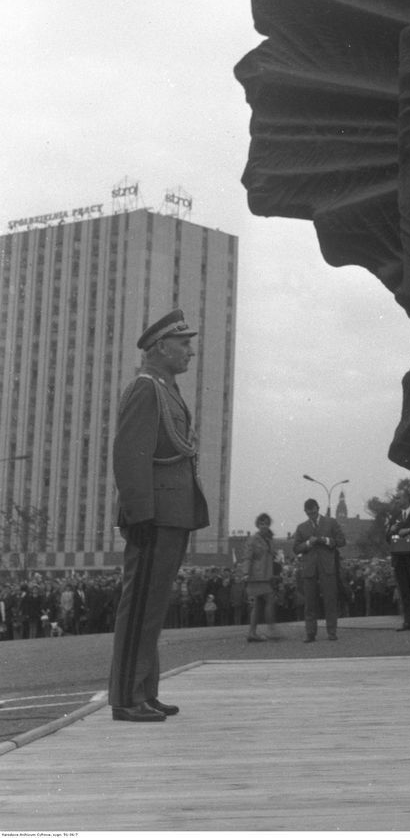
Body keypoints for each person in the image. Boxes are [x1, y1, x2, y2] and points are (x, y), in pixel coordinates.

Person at [108, 308, 208, 722]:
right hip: (155, 515)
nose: (189, 351)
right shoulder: (146, 389)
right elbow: (130, 455)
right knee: (140, 609)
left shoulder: (165, 388)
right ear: (161, 347)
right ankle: (127, 698)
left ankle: (144, 691)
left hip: (171, 513)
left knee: (153, 609)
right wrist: (140, 514)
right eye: (183, 344)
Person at [293, 498, 346, 642]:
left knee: (330, 600)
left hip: (327, 568)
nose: (312, 515)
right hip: (309, 569)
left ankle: (332, 632)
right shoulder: (301, 528)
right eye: (309, 513)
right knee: (309, 602)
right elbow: (296, 548)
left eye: (314, 512)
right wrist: (309, 543)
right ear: (305, 512)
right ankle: (310, 633)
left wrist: (326, 540)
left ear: (318, 508)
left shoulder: (331, 522)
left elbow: (342, 541)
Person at [238, 513, 280, 642]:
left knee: (257, 605)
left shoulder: (268, 539)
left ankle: (252, 632)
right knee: (269, 600)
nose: (264, 526)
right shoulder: (253, 539)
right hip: (257, 576)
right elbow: (247, 557)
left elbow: (273, 555)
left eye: (266, 523)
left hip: (265, 575)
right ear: (258, 524)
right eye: (262, 524)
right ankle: (271, 630)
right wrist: (245, 572)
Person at [385, 482, 410, 631]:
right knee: (404, 590)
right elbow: (388, 537)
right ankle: (409, 620)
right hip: (399, 557)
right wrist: (391, 530)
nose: (397, 500)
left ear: (407, 498)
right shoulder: (395, 516)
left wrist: (408, 530)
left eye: (399, 498)